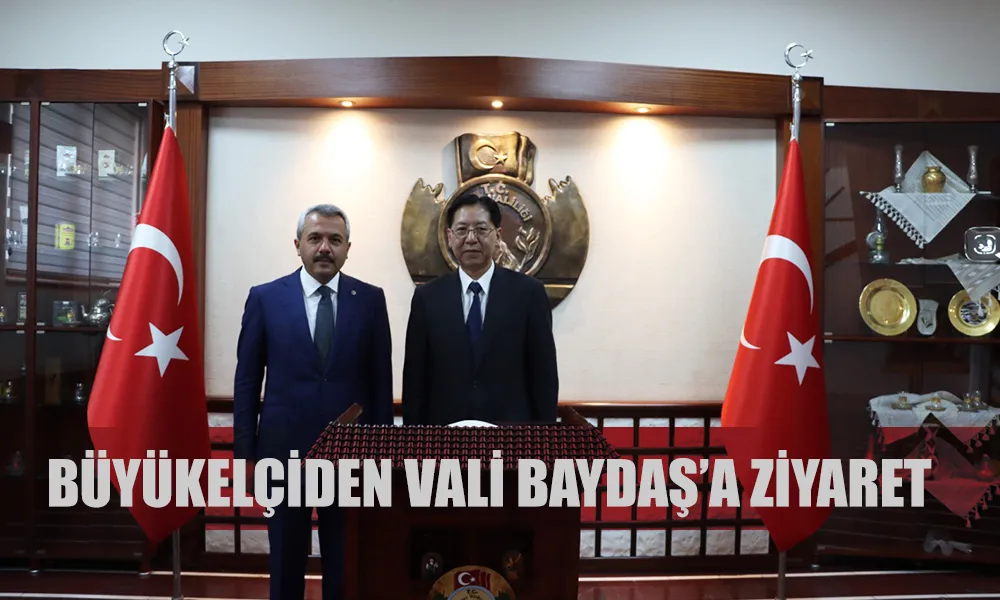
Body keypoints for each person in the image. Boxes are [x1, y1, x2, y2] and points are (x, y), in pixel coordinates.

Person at [233, 203, 393, 600]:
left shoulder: (370, 300)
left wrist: (382, 456)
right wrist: (246, 456)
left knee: (346, 563)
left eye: (335, 240)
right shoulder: (266, 298)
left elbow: (380, 383)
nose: (325, 248)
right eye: (315, 238)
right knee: (286, 564)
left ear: (348, 248)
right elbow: (247, 382)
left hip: (351, 459)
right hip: (282, 456)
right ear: (298, 245)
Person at [402, 192, 558, 425]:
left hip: (511, 435)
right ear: (449, 237)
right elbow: (415, 378)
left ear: (498, 235)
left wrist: (543, 437)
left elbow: (543, 374)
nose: (471, 238)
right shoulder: (428, 298)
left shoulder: (528, 293)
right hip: (444, 434)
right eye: (462, 230)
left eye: (481, 229)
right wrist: (415, 437)